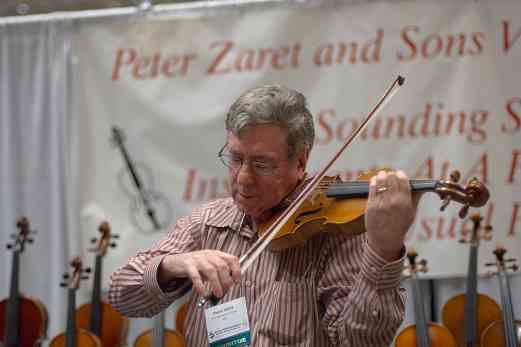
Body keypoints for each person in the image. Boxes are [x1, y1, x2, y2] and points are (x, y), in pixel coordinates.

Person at [108, 84, 419, 346]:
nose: (243, 178)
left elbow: (361, 340)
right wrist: (174, 264)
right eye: (235, 158)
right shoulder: (208, 223)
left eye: (261, 164)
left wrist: (383, 249)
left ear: (301, 161)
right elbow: (122, 295)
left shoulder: (333, 235)